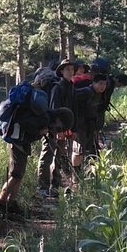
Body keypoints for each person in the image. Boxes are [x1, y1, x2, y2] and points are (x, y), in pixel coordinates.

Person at [0, 106, 73, 221]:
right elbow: (25, 125)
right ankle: (2, 202)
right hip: (17, 142)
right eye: (61, 125)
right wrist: (39, 132)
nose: (59, 128)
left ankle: (11, 202)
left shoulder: (47, 117)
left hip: (22, 143)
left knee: (20, 174)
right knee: (16, 174)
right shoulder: (44, 118)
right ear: (59, 119)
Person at [38, 59, 76, 198]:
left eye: (72, 69)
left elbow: (71, 110)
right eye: (67, 69)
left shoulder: (71, 86)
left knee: (59, 157)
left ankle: (55, 185)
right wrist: (58, 130)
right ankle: (42, 187)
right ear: (61, 71)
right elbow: (54, 110)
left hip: (63, 128)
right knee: (47, 156)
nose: (70, 72)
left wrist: (69, 129)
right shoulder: (57, 87)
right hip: (52, 128)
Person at [73, 74, 110, 170]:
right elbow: (71, 101)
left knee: (88, 149)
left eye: (105, 84)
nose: (103, 87)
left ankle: (87, 171)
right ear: (93, 83)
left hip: (90, 126)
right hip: (79, 125)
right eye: (100, 84)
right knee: (78, 150)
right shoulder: (85, 92)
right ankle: (76, 174)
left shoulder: (100, 94)